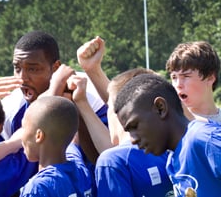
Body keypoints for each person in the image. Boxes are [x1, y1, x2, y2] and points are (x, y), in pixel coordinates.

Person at [75, 37, 174, 196]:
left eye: (108, 106)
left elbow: (114, 154)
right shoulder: (172, 150)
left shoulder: (112, 161)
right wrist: (92, 72)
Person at [1, 30, 109, 164]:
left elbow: (107, 158)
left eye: (33, 69)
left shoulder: (91, 95)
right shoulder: (11, 109)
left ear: (56, 68)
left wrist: (80, 108)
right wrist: (54, 92)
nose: (22, 78)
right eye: (17, 68)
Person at [113, 73, 221, 197]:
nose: (133, 139)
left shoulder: (204, 140)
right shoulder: (173, 159)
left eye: (135, 126)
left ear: (160, 108)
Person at [19, 96, 93, 196]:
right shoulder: (82, 171)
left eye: (23, 127)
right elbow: (73, 147)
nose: (21, 136)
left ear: (39, 135)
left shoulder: (38, 188)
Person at [166, 41, 221, 122]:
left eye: (186, 76)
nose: (178, 85)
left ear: (210, 78)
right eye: (174, 77)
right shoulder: (169, 124)